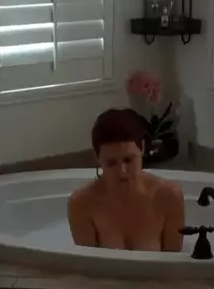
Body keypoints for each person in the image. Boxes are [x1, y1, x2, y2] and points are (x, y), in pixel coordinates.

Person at [68, 108, 185, 252]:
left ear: (142, 148)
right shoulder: (82, 204)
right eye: (111, 163)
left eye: (128, 160)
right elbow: (88, 263)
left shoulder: (169, 197)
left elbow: (173, 261)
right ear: (98, 158)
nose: (122, 172)